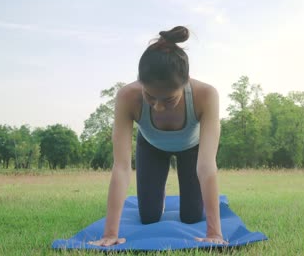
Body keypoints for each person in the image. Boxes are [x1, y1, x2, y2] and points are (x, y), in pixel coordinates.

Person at [88, 26, 227, 247]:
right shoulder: (127, 97)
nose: (159, 107)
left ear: (186, 82)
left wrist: (215, 233)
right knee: (149, 217)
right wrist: (110, 233)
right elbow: (121, 167)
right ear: (140, 82)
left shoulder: (206, 95)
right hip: (151, 147)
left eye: (169, 100)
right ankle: (157, 198)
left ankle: (186, 206)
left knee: (192, 216)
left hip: (191, 148)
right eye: (150, 97)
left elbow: (207, 166)